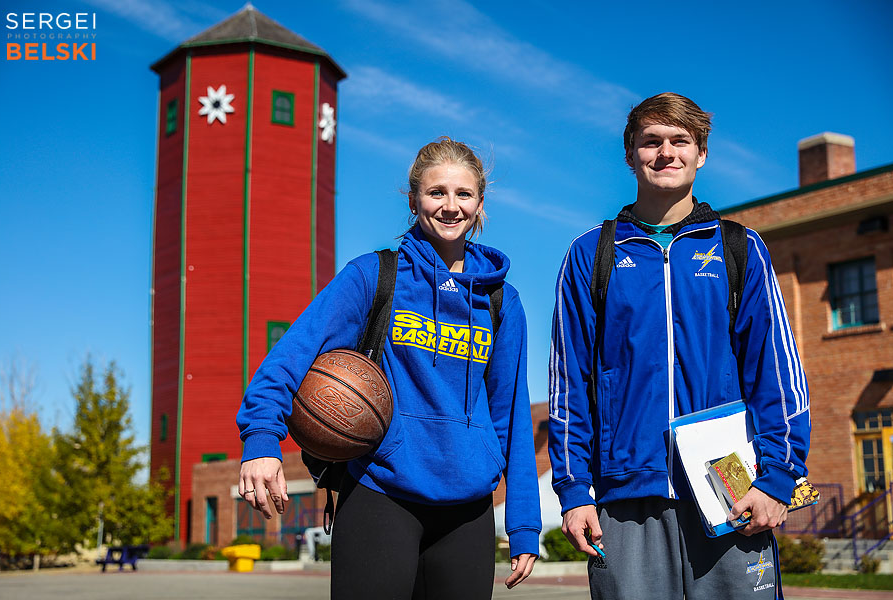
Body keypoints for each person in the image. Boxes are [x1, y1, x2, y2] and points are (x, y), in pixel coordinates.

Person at [237, 137, 542, 599]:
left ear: (480, 203)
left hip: (468, 507)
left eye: (463, 194)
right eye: (436, 192)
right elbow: (291, 357)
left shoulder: (501, 301)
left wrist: (522, 523)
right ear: (414, 198)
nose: (450, 206)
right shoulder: (374, 277)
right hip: (381, 492)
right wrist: (262, 439)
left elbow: (512, 414)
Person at [548, 93, 810, 599]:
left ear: (701, 153)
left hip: (732, 489)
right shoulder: (591, 254)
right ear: (630, 155)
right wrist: (574, 489)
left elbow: (776, 373)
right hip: (625, 496)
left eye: (680, 140)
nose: (665, 152)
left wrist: (779, 477)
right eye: (651, 141)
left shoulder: (739, 248)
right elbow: (568, 385)